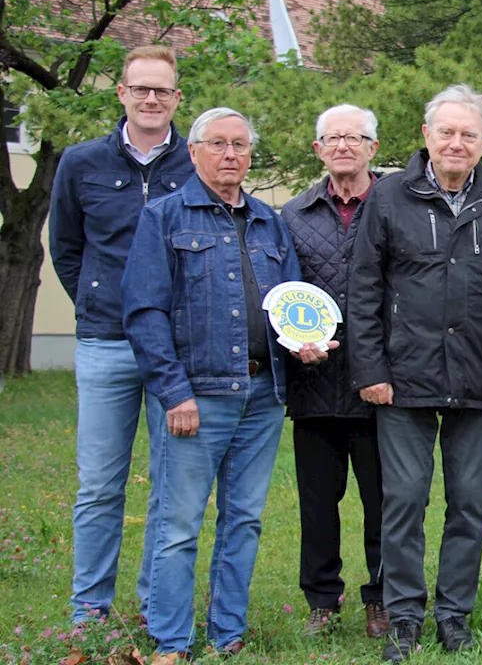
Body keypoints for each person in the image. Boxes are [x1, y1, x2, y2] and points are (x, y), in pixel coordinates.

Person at [347, 84, 482, 661]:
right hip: (402, 379)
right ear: (426, 136)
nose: (457, 142)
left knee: (469, 503)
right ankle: (404, 615)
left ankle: (455, 614)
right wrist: (370, 370)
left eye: (468, 134)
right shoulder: (389, 198)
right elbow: (363, 290)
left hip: (476, 377)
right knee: (403, 499)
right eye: (446, 131)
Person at [122, 108, 301, 658]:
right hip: (196, 396)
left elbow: (291, 305)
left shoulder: (270, 223)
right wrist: (173, 392)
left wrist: (305, 343)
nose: (231, 155)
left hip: (262, 397)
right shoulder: (165, 218)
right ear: (195, 151)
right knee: (178, 523)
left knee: (243, 519)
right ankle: (171, 639)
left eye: (241, 146)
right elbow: (144, 312)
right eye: (218, 144)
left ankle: (228, 634)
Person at [49, 44, 193, 625]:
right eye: (141, 88)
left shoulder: (196, 162)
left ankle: (154, 601)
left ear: (177, 98)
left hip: (176, 351)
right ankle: (90, 608)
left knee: (170, 487)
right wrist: (96, 301)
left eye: (162, 90)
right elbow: (65, 250)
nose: (152, 98)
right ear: (122, 94)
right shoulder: (80, 163)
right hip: (105, 343)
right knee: (100, 485)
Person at [281, 104, 390, 639]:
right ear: (318, 150)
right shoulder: (292, 215)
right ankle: (322, 603)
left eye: (355, 137)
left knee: (383, 504)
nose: (343, 146)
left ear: (373, 147)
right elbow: (280, 294)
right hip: (314, 385)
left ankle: (382, 598)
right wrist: (293, 341)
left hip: (381, 387)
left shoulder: (396, 206)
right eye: (332, 138)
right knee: (318, 507)